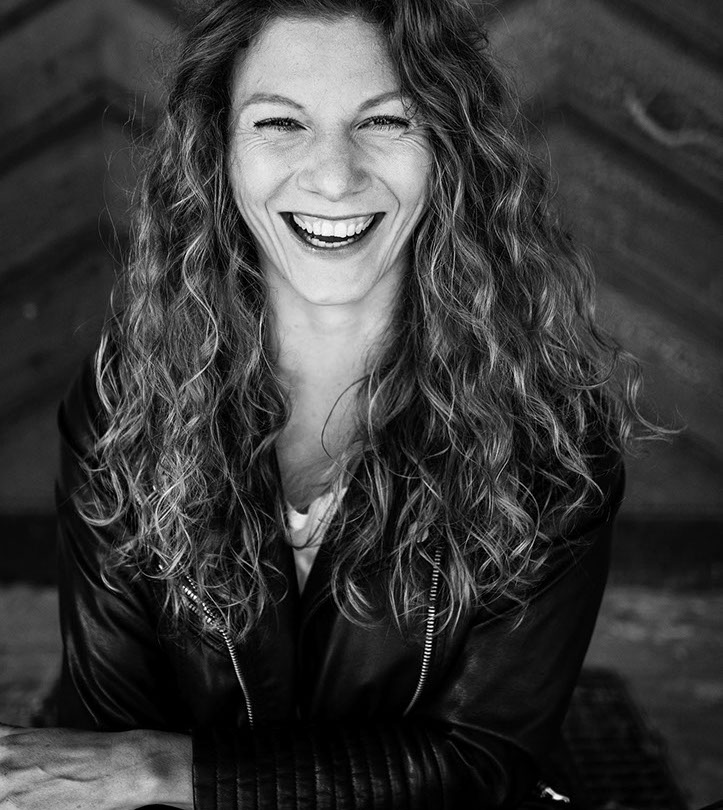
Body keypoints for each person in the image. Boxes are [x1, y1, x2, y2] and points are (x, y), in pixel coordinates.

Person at [0, 0, 648, 807]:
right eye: (280, 123)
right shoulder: (130, 396)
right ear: (218, 151)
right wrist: (130, 771)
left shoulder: (548, 432)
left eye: (384, 121)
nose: (335, 176)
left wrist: (161, 769)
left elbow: (480, 764)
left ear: (448, 148)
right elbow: (106, 731)